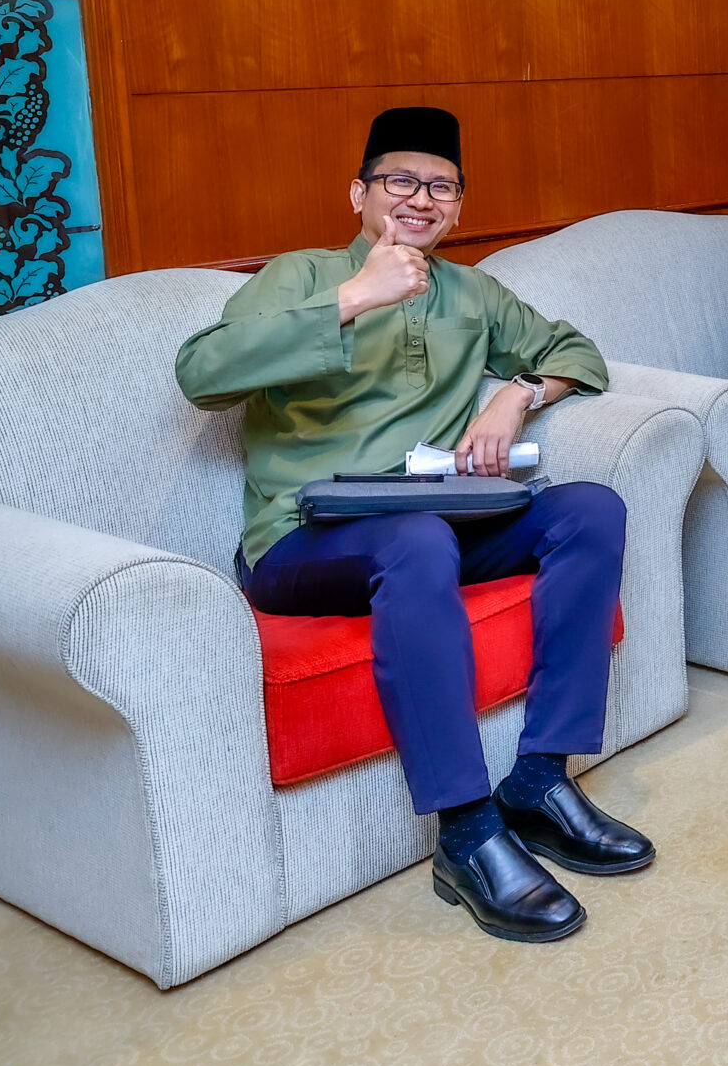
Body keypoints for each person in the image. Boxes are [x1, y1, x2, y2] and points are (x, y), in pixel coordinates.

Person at [176, 106, 649, 946]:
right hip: (304, 536)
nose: (421, 198)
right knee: (418, 538)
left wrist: (517, 394)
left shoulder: (473, 293)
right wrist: (355, 296)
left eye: (442, 186)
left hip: (433, 522)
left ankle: (540, 778)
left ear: (459, 207)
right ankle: (466, 831)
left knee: (590, 509)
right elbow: (200, 372)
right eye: (400, 180)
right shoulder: (301, 274)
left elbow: (578, 352)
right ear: (358, 193)